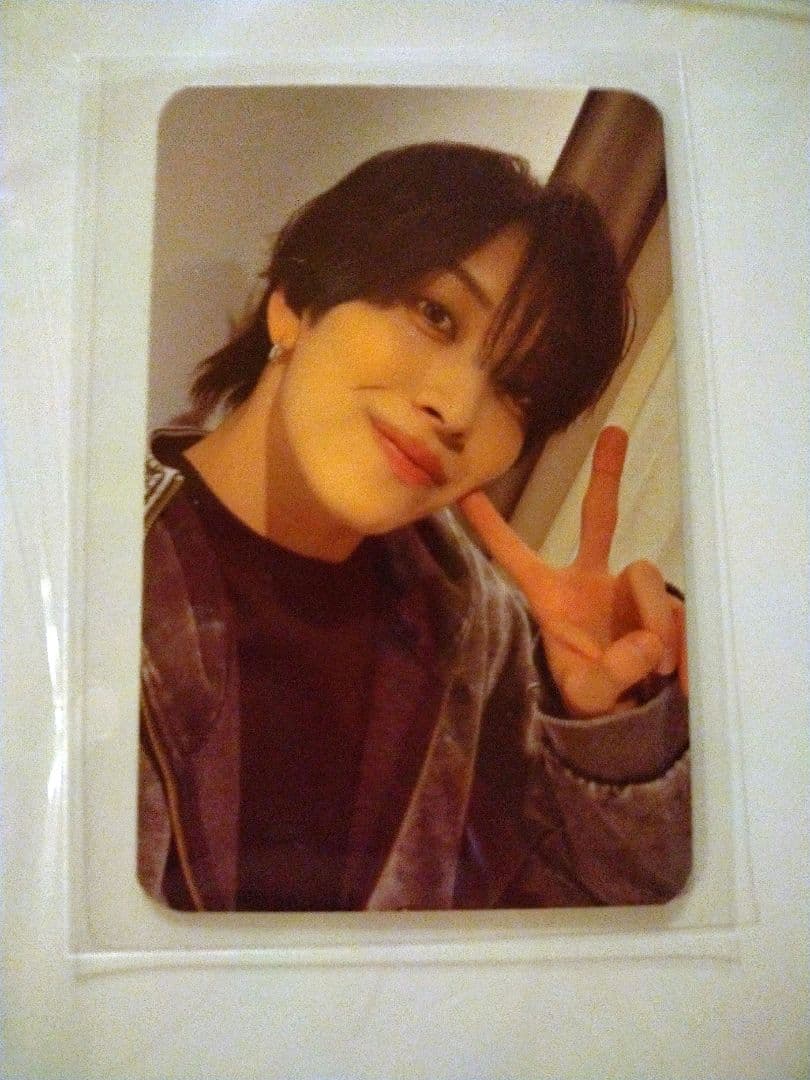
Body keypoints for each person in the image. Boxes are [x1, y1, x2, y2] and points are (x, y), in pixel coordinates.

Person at [138, 142, 689, 912]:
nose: (458, 411)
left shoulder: (475, 631)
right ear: (295, 301)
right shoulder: (82, 573)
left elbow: (592, 926)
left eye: (518, 392)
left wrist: (609, 735)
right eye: (436, 315)